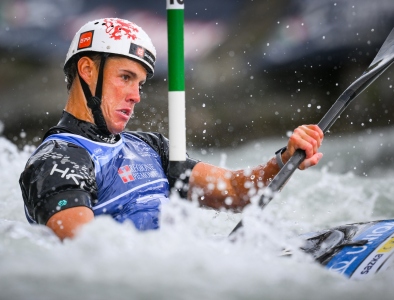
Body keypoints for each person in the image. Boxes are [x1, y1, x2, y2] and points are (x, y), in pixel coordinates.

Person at [19, 18, 324, 241]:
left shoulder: (152, 148)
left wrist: (284, 160)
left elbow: (233, 191)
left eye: (139, 83)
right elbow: (87, 256)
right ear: (87, 70)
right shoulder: (57, 162)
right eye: (125, 77)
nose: (136, 95)